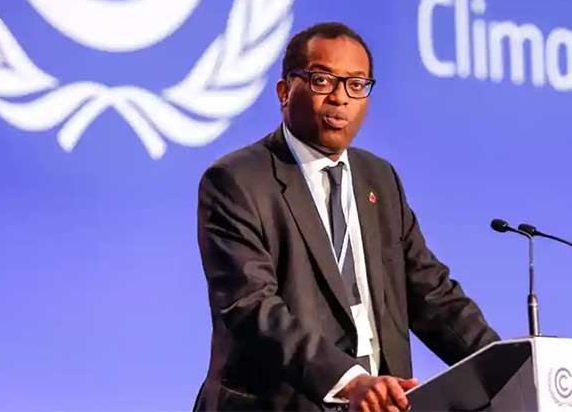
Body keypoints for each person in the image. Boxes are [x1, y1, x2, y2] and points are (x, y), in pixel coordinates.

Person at [194, 22, 500, 411]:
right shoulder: (237, 181)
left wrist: (508, 367)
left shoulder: (380, 179)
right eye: (322, 81)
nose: (340, 98)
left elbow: (433, 295)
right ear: (285, 91)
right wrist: (349, 381)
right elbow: (251, 306)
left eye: (356, 84)